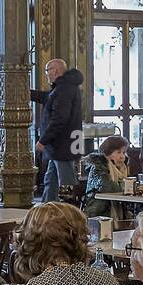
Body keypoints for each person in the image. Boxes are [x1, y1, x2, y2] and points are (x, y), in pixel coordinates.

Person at [31, 58, 84, 203]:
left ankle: (69, 212)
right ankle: (47, 209)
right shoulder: (64, 87)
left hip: (63, 145)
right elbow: (48, 97)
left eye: (48, 70)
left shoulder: (64, 89)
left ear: (55, 71)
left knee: (66, 183)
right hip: (64, 145)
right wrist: (27, 93)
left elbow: (59, 118)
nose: (46, 74)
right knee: (51, 180)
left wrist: (43, 140)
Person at [82, 135, 130, 218]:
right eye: (118, 152)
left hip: (114, 211)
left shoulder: (121, 169)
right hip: (99, 213)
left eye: (124, 152)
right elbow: (107, 186)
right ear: (108, 153)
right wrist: (128, 187)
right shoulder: (97, 166)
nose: (122, 156)